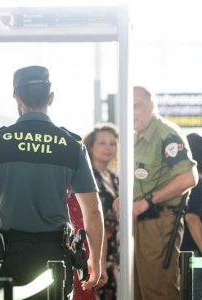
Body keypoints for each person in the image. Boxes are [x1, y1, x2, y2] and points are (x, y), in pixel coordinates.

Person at [0, 66, 104, 300]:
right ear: (51, 98)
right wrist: (95, 259)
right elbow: (92, 210)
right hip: (55, 256)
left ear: (16, 97)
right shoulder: (71, 146)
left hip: (8, 257)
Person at [132, 86, 198, 300]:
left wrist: (147, 201)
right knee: (141, 292)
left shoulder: (165, 134)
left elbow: (189, 178)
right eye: (127, 107)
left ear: (151, 106)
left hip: (159, 221)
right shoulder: (136, 137)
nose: (131, 112)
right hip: (140, 224)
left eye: (136, 105)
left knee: (158, 291)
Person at [83, 123, 119, 300]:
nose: (108, 148)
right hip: (96, 247)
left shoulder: (115, 179)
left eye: (112, 143)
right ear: (91, 146)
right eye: (102, 143)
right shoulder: (88, 177)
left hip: (116, 249)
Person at [181, 133, 202, 300]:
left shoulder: (179, 178)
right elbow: (192, 218)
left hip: (183, 251)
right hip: (194, 253)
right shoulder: (195, 180)